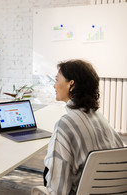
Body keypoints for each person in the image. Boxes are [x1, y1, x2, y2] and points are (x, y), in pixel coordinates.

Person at [43, 59, 124, 195]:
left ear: (71, 84)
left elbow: (58, 189)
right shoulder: (101, 119)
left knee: (48, 171)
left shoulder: (65, 124)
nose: (54, 86)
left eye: (57, 80)